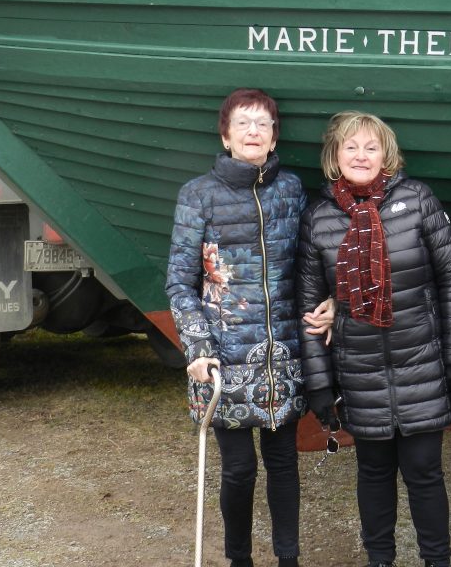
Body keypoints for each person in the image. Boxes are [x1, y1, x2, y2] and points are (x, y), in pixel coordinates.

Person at [295, 111, 451, 567]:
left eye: (370, 147)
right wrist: (319, 383)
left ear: (386, 155)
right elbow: (311, 310)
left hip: (423, 364)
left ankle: (437, 560)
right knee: (373, 474)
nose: (360, 155)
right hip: (360, 371)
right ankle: (381, 560)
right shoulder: (318, 219)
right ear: (334, 157)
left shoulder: (416, 200)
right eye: (350, 147)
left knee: (424, 473)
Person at [166, 88, 333, 567]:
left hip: (281, 353)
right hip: (222, 358)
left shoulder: (292, 190)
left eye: (263, 123)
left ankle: (288, 560)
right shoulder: (198, 195)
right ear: (226, 134)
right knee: (239, 470)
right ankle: (239, 559)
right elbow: (180, 282)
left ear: (274, 134)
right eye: (243, 123)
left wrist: (333, 302)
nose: (254, 131)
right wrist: (196, 346)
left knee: (283, 465)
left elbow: (312, 263)